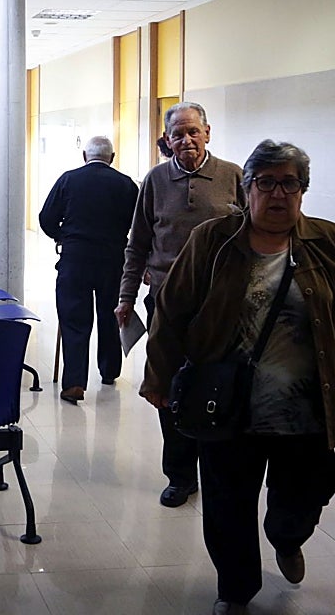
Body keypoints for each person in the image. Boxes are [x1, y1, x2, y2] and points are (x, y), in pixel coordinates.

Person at [140, 140, 335, 615]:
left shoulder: (326, 242)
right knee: (228, 507)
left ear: (302, 191)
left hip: (306, 408)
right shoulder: (214, 239)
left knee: (311, 489)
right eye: (265, 182)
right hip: (226, 404)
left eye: (288, 183)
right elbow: (172, 310)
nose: (277, 194)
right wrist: (159, 377)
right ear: (246, 189)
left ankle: (286, 538)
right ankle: (235, 589)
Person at [114, 101, 246, 508]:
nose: (186, 140)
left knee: (220, 387)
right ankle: (181, 476)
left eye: (193, 131)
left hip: (222, 307)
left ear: (208, 132)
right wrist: (126, 296)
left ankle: (220, 471)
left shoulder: (233, 177)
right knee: (168, 389)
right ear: (167, 140)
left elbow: (254, 236)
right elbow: (137, 243)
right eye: (177, 134)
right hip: (167, 305)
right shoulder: (154, 180)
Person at [39, 136, 138, 404]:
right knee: (110, 315)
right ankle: (109, 371)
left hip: (75, 258)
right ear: (112, 158)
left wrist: (63, 236)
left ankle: (74, 383)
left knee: (74, 319)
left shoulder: (68, 180)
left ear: (85, 156)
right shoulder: (126, 184)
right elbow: (139, 225)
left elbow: (46, 218)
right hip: (113, 260)